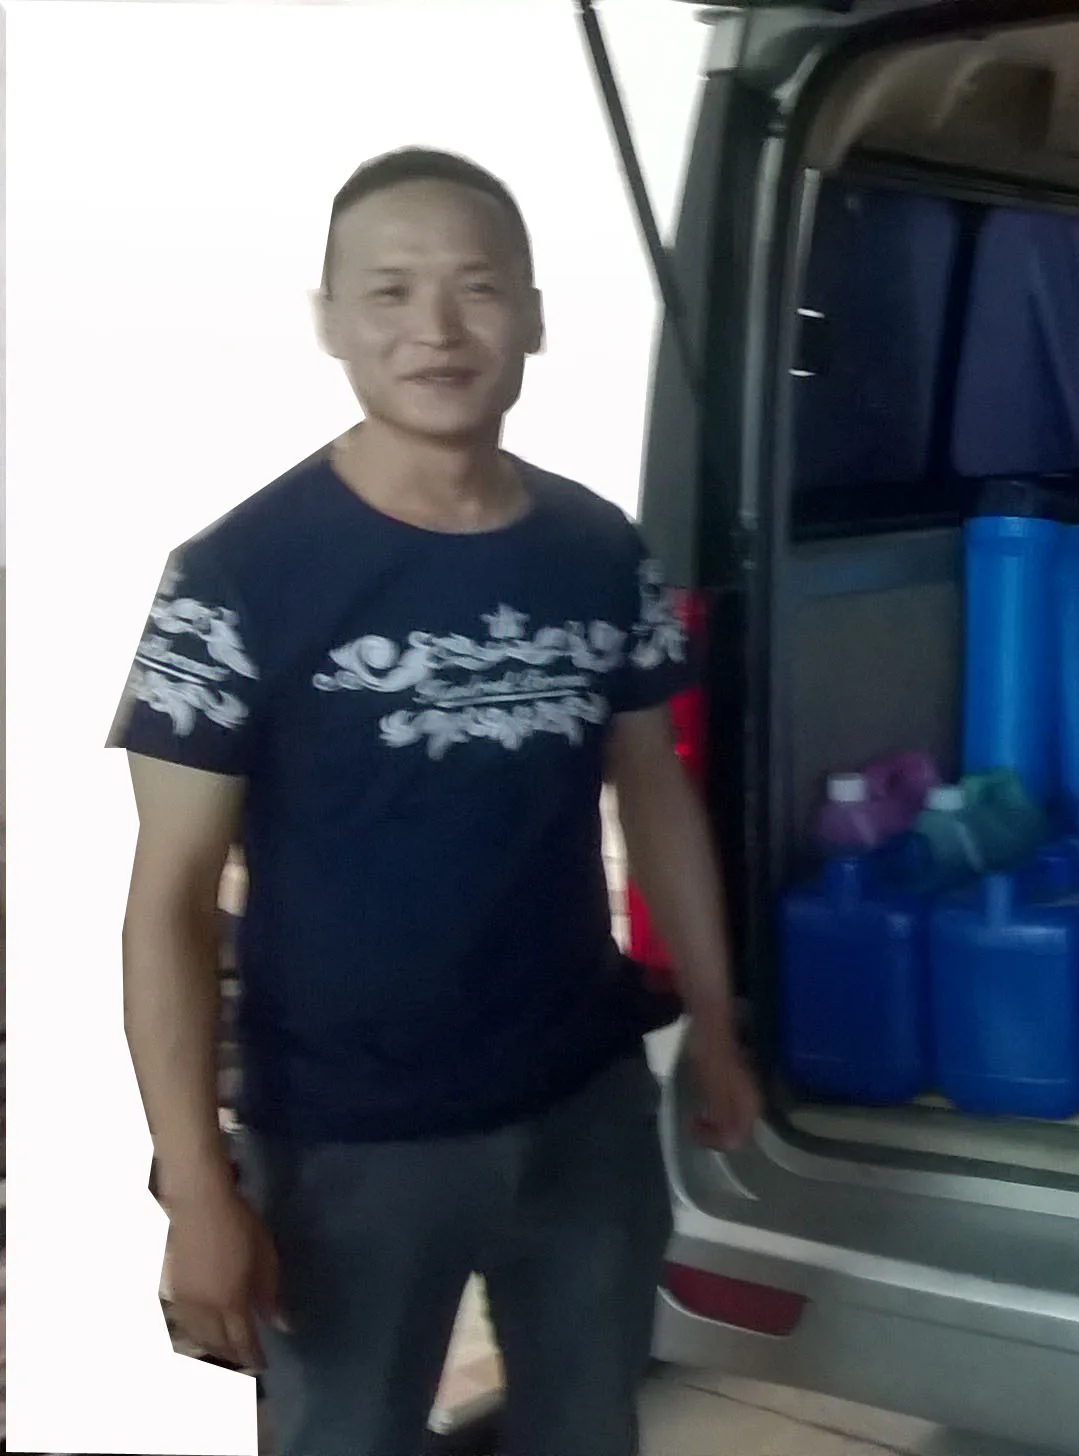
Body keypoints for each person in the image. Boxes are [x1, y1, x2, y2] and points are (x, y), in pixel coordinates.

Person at [112, 147, 762, 1456]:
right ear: (331, 321)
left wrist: (719, 1023)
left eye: (476, 288)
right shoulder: (237, 576)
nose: (438, 330)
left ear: (533, 315)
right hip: (348, 1144)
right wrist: (196, 1187)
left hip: (581, 1109)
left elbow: (656, 795)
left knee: (590, 1428)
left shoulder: (596, 549)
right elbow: (167, 904)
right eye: (391, 291)